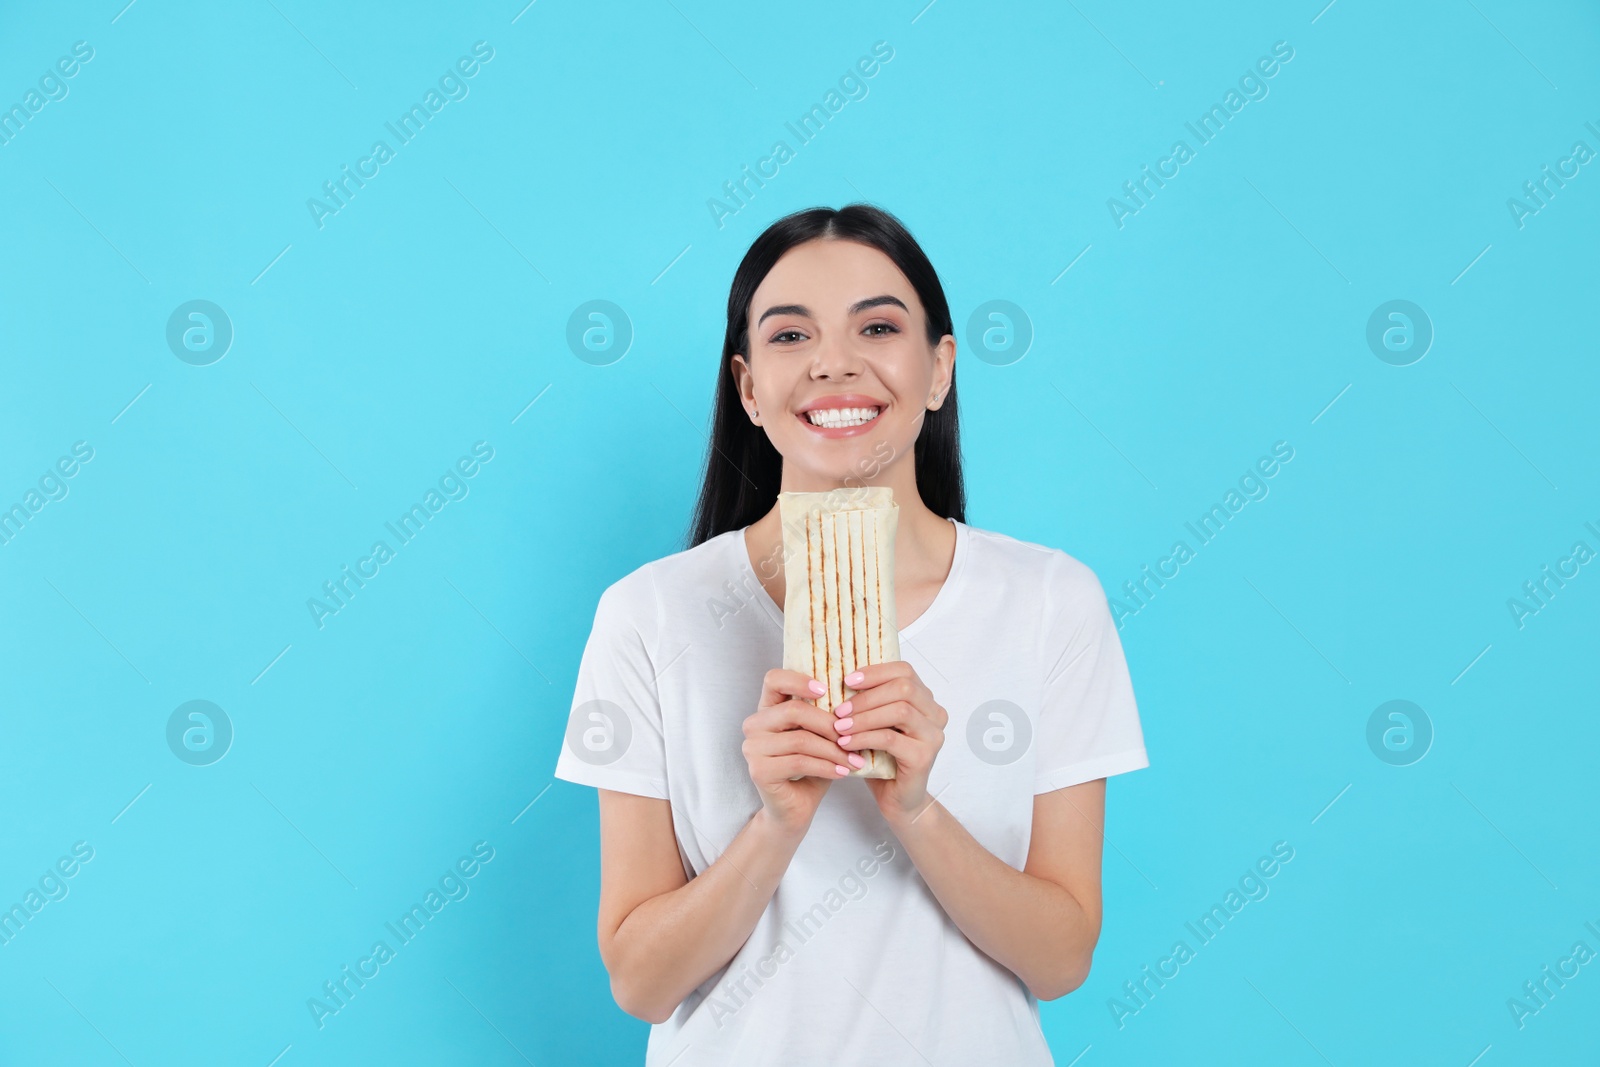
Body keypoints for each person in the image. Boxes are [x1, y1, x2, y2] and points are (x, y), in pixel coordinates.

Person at [553, 203, 1149, 1064]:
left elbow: (1061, 958)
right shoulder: (652, 614)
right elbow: (641, 982)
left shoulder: (1051, 600)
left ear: (939, 368)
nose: (835, 363)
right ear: (749, 387)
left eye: (877, 325)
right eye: (790, 336)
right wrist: (776, 823)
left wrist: (915, 809)